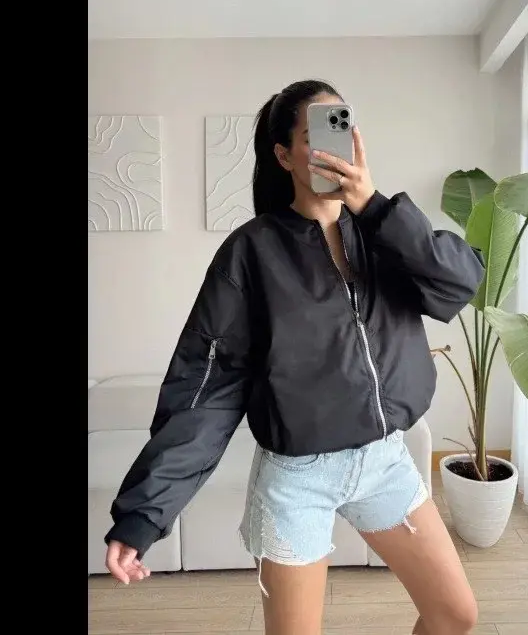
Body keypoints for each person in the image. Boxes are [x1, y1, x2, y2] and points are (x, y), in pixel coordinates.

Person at [103, 79, 486, 635]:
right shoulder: (251, 251)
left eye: (343, 127)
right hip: (298, 478)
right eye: (316, 134)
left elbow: (457, 285)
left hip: (385, 464)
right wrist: (143, 513)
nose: (337, 146)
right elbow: (206, 389)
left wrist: (375, 208)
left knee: (455, 615)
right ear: (284, 156)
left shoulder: (386, 232)